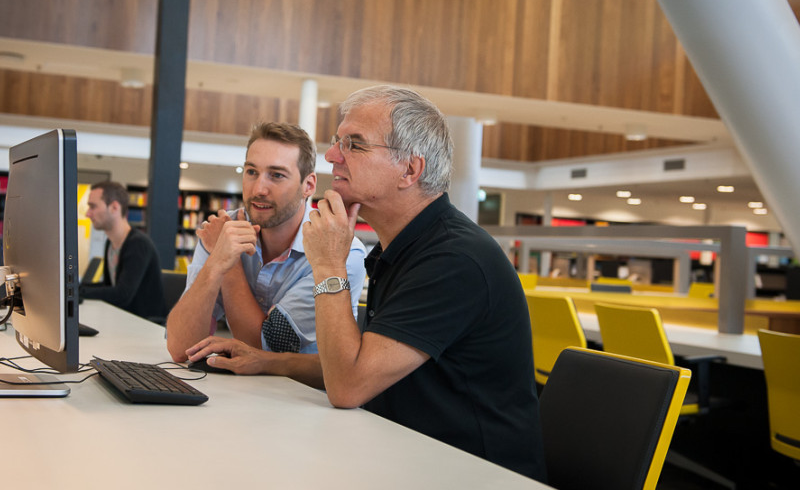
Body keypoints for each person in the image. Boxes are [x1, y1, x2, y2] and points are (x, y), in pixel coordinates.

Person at [189, 87, 546, 481]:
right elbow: (361, 364)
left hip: (472, 475)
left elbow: (348, 387)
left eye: (354, 145)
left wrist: (328, 264)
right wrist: (268, 361)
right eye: (338, 142)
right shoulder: (408, 248)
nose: (331, 156)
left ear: (410, 170)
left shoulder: (454, 260)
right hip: (406, 455)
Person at [167, 122, 367, 381]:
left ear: (308, 185)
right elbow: (181, 348)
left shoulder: (341, 251)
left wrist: (228, 264)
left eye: (277, 175)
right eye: (251, 171)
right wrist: (217, 261)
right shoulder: (222, 230)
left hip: (308, 401)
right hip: (245, 395)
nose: (259, 188)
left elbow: (264, 348)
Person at [80, 181, 166, 320]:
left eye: (93, 206)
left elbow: (122, 294)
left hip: (144, 326)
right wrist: (78, 289)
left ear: (114, 207)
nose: (88, 214)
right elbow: (110, 287)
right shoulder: (111, 243)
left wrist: (80, 291)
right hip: (122, 320)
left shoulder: (138, 244)